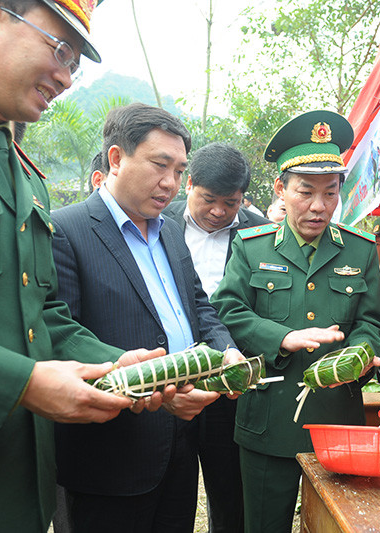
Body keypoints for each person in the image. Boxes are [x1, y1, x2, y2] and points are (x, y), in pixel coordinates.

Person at [0, 1, 178, 531]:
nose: (66, 77)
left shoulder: (24, 176)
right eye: (59, 49)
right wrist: (21, 384)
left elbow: (39, 313)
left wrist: (115, 365)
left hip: (17, 493)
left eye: (76, 62)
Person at [51, 103, 243, 533]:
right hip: (109, 457)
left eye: (179, 171)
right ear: (116, 159)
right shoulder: (65, 230)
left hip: (178, 444)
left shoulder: (170, 232)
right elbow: (58, 328)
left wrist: (225, 350)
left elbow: (199, 307)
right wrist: (135, 374)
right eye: (161, 166)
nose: (171, 183)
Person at [211, 110, 380, 533]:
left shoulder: (359, 251)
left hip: (336, 422)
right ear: (281, 189)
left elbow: (372, 323)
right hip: (268, 420)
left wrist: (363, 353)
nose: (319, 206)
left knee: (334, 524)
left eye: (330, 193)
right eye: (306, 192)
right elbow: (228, 309)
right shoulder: (251, 247)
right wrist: (283, 337)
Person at [163, 142, 269, 533]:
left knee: (229, 489)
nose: (220, 211)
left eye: (232, 202)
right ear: (189, 184)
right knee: (171, 486)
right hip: (171, 377)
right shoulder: (159, 220)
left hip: (230, 378)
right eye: (209, 199)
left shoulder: (259, 231)